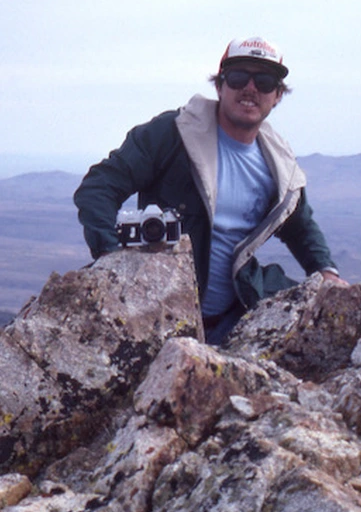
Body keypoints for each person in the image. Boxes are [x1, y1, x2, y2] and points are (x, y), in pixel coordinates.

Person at [74, 35, 346, 344]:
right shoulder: (173, 134)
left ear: (278, 95)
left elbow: (299, 225)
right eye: (239, 76)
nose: (250, 88)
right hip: (157, 316)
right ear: (220, 85)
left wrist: (326, 272)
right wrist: (112, 257)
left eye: (265, 81)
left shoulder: (278, 162)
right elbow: (98, 188)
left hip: (238, 316)